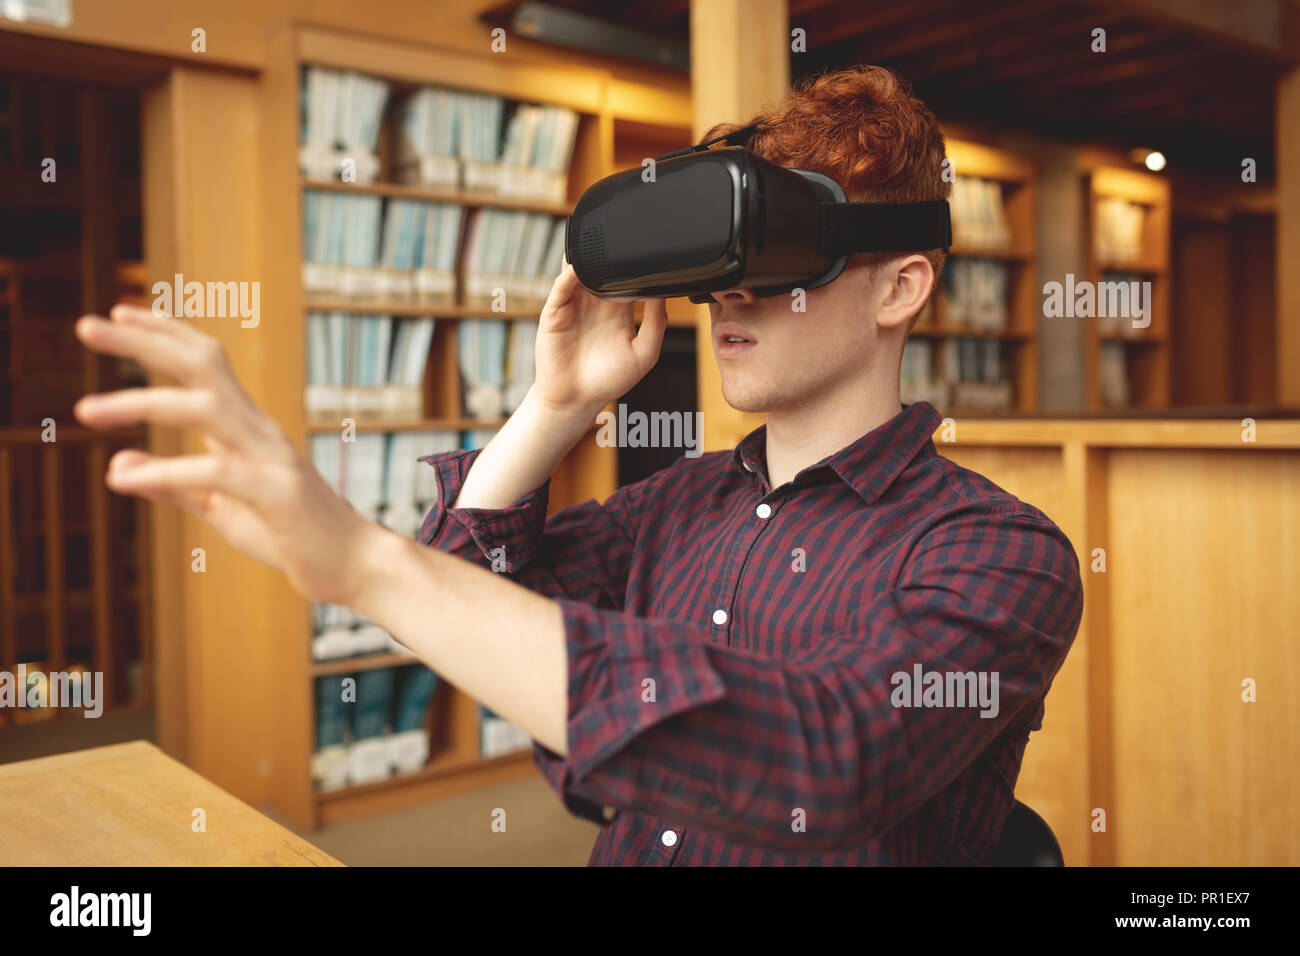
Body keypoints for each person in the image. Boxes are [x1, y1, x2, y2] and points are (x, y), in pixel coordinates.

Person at [74, 64, 1082, 865]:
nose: (728, 296)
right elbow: (461, 605)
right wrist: (556, 406)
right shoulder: (677, 503)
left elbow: (829, 763)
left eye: (774, 257)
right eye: (719, 266)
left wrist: (364, 559)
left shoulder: (997, 552)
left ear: (899, 287)